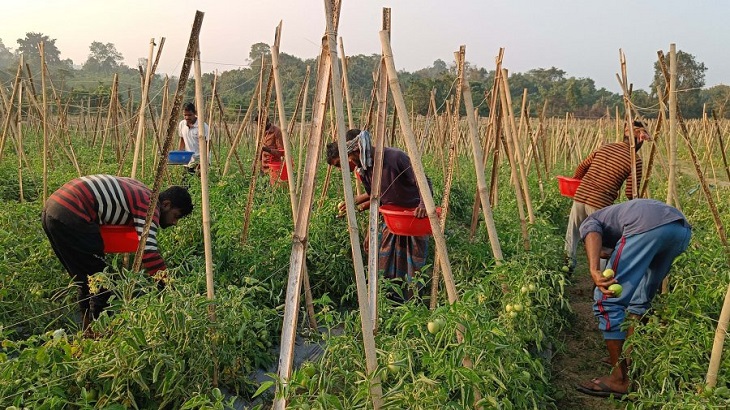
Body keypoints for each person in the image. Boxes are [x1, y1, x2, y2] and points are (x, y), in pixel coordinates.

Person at [42, 174, 194, 332]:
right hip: (72, 212)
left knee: (86, 279)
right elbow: (149, 252)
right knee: (101, 282)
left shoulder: (143, 191)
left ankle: (88, 331)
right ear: (166, 205)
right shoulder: (150, 205)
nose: (174, 223)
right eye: (176, 216)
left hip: (53, 208)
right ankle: (99, 334)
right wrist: (169, 288)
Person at [575, 199, 691, 398]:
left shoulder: (593, 219)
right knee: (640, 299)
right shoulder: (617, 216)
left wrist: (594, 270)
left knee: (607, 298)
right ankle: (629, 356)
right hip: (680, 230)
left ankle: (619, 379)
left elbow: (591, 231)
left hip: (645, 225)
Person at [326, 129, 432, 302]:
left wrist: (423, 204)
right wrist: (357, 203)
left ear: (355, 151)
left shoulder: (394, 157)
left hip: (412, 217)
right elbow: (378, 196)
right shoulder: (364, 169)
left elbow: (423, 180)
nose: (344, 168)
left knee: (412, 263)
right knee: (381, 254)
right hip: (391, 218)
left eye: (341, 164)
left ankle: (414, 303)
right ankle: (389, 300)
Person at [564, 120, 651, 274]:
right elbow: (630, 193)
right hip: (600, 201)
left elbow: (582, 166)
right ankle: (601, 277)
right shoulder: (635, 160)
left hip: (580, 195)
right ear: (639, 141)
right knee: (601, 240)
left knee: (573, 234)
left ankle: (567, 268)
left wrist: (576, 182)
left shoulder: (606, 147)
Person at [178, 102, 210, 175]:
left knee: (199, 184)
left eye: (189, 115)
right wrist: (180, 155)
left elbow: (208, 145)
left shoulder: (203, 126)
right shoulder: (182, 124)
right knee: (185, 184)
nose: (187, 117)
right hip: (188, 161)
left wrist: (202, 162)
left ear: (195, 113)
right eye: (185, 115)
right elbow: (182, 140)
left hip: (200, 160)